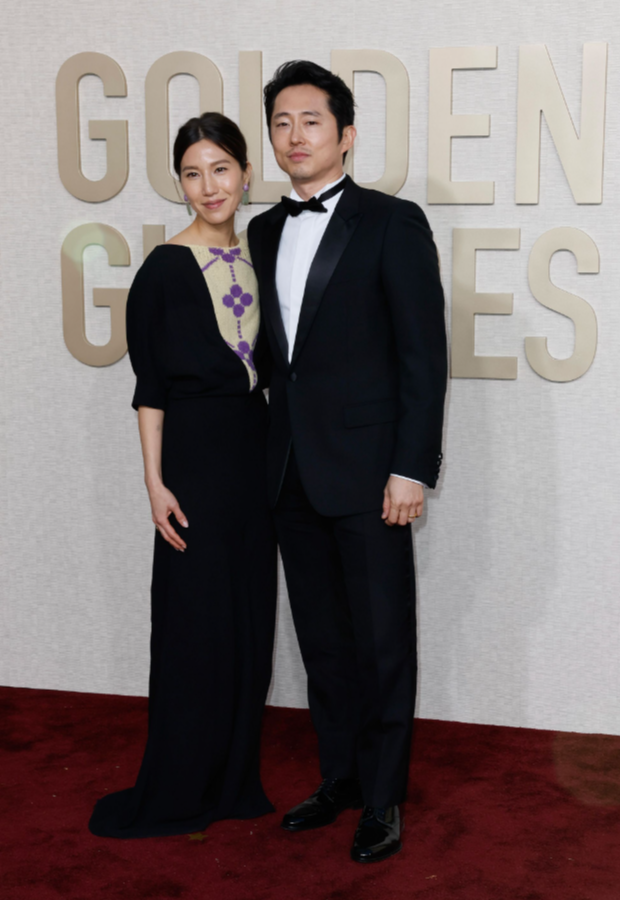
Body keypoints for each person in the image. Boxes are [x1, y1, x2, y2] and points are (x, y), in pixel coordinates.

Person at [247, 61, 447, 863]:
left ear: (346, 134)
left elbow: (423, 357)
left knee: (381, 639)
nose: (294, 136)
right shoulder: (262, 231)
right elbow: (274, 360)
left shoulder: (392, 223)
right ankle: (340, 777)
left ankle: (385, 796)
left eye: (311, 121)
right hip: (290, 470)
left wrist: (411, 466)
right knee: (322, 642)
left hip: (370, 473)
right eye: (281, 122)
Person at [89, 112, 277, 839]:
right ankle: (179, 781)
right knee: (194, 623)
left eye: (221, 168)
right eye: (193, 174)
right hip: (193, 465)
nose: (209, 185)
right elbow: (150, 389)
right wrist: (154, 483)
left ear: (245, 174)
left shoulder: (262, 255)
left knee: (247, 619)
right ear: (180, 184)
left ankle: (232, 779)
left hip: (255, 457)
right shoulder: (163, 270)